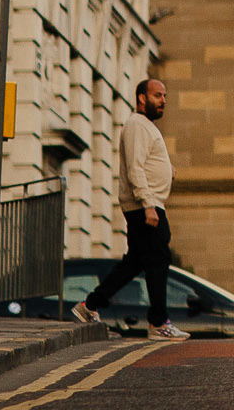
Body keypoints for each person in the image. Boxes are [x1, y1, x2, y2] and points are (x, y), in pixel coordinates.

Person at [73, 78, 186, 340]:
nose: (163, 101)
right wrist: (148, 205)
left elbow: (145, 163)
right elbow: (135, 168)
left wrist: (167, 171)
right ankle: (158, 323)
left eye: (165, 96)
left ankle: (89, 306)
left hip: (147, 205)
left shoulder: (146, 126)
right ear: (142, 98)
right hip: (145, 207)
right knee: (158, 261)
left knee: (135, 263)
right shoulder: (137, 125)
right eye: (157, 96)